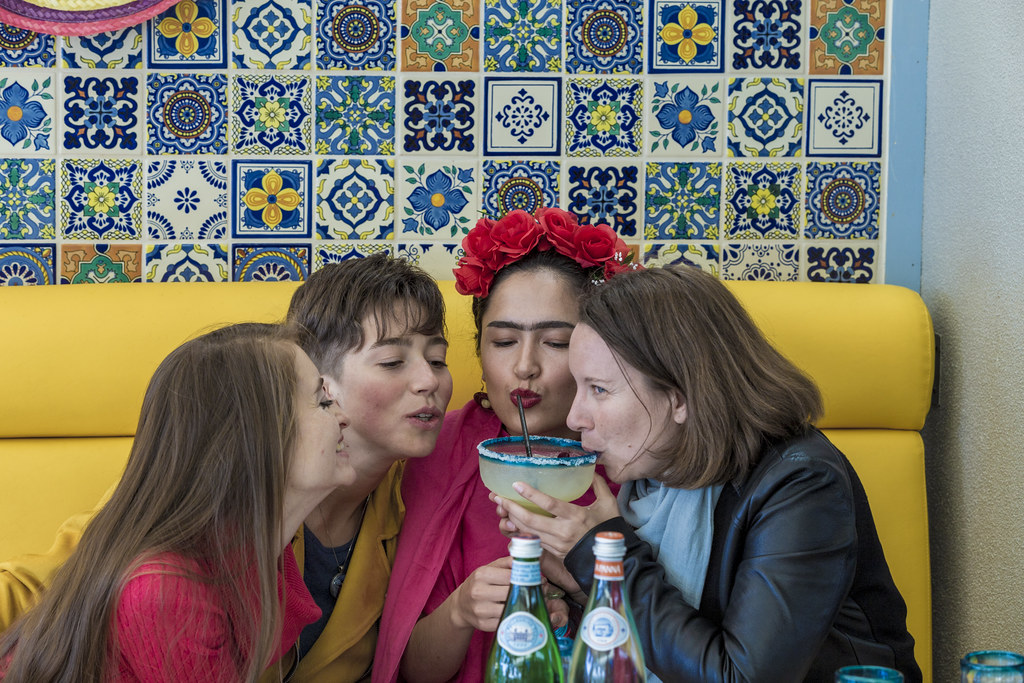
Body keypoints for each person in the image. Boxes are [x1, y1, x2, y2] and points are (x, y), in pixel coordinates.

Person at [0, 255, 454, 683]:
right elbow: (57, 581)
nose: (429, 380)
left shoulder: (422, 498)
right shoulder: (185, 521)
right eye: (392, 362)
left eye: (438, 360)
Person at [493, 265, 923, 683]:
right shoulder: (651, 477)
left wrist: (605, 555)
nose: (575, 418)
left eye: (599, 389)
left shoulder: (802, 485)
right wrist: (585, 585)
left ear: (680, 398)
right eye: (579, 387)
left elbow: (743, 676)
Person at [0, 323, 347, 681]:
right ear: (257, 441)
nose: (343, 418)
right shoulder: (166, 588)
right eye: (323, 402)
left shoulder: (247, 551)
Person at [374, 208, 634, 683]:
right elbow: (408, 669)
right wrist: (461, 609)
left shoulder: (639, 455)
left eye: (556, 342)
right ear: (479, 349)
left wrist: (586, 585)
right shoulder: (442, 449)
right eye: (504, 341)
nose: (524, 367)